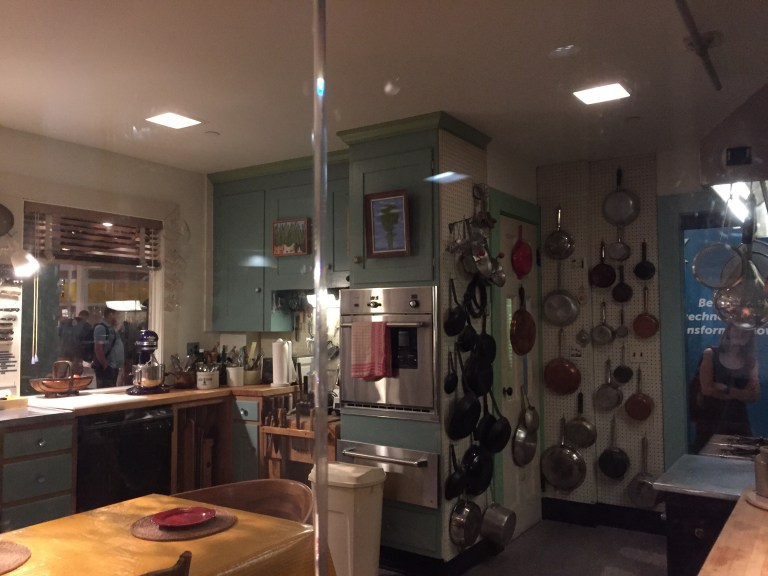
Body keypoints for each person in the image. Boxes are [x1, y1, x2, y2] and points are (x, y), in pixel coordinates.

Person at [692, 324, 760, 451]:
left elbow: (753, 396)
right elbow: (707, 389)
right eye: (736, 330)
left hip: (738, 419)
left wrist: (725, 389)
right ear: (728, 331)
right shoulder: (710, 354)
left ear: (750, 336)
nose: (740, 334)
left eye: (745, 331)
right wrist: (741, 394)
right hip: (710, 419)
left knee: (744, 457)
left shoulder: (751, 361)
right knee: (704, 456)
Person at [92, 307, 124, 388]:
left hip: (113, 366)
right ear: (110, 315)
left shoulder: (111, 328)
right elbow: (98, 348)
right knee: (105, 389)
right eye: (116, 315)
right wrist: (105, 366)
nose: (117, 317)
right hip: (106, 367)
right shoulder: (101, 328)